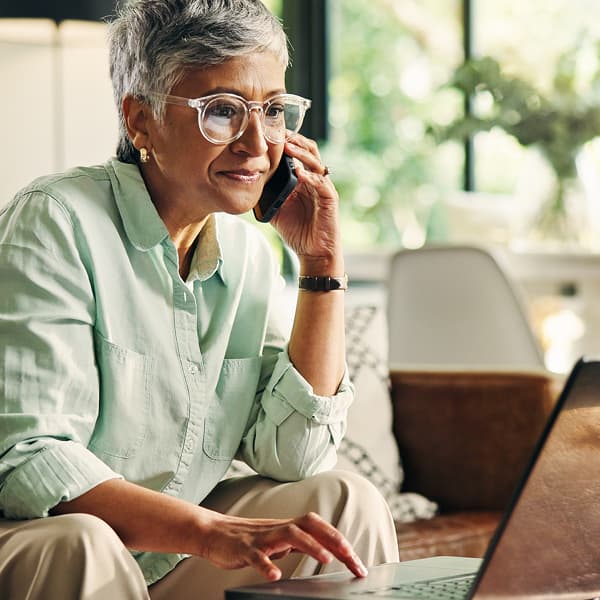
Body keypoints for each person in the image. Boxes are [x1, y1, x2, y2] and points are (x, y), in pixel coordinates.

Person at [0, 0, 399, 598]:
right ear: (140, 121)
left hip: (174, 551)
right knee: (83, 540)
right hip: (44, 539)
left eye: (270, 111)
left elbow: (294, 456)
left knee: (344, 501)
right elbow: (30, 459)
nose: (257, 144)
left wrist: (320, 266)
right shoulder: (56, 220)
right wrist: (208, 531)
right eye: (222, 112)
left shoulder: (250, 255)